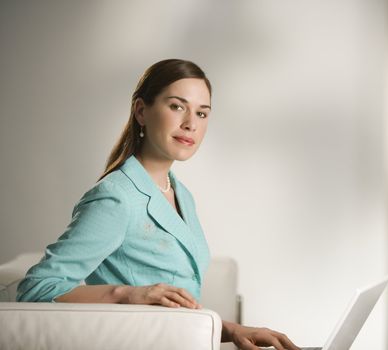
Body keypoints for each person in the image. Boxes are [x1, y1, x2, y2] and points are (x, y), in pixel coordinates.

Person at [16, 59, 300, 350]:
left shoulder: (180, 194)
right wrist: (127, 295)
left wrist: (234, 330)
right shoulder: (116, 196)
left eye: (202, 113)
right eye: (177, 106)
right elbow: (37, 288)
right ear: (141, 111)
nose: (191, 123)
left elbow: (170, 313)